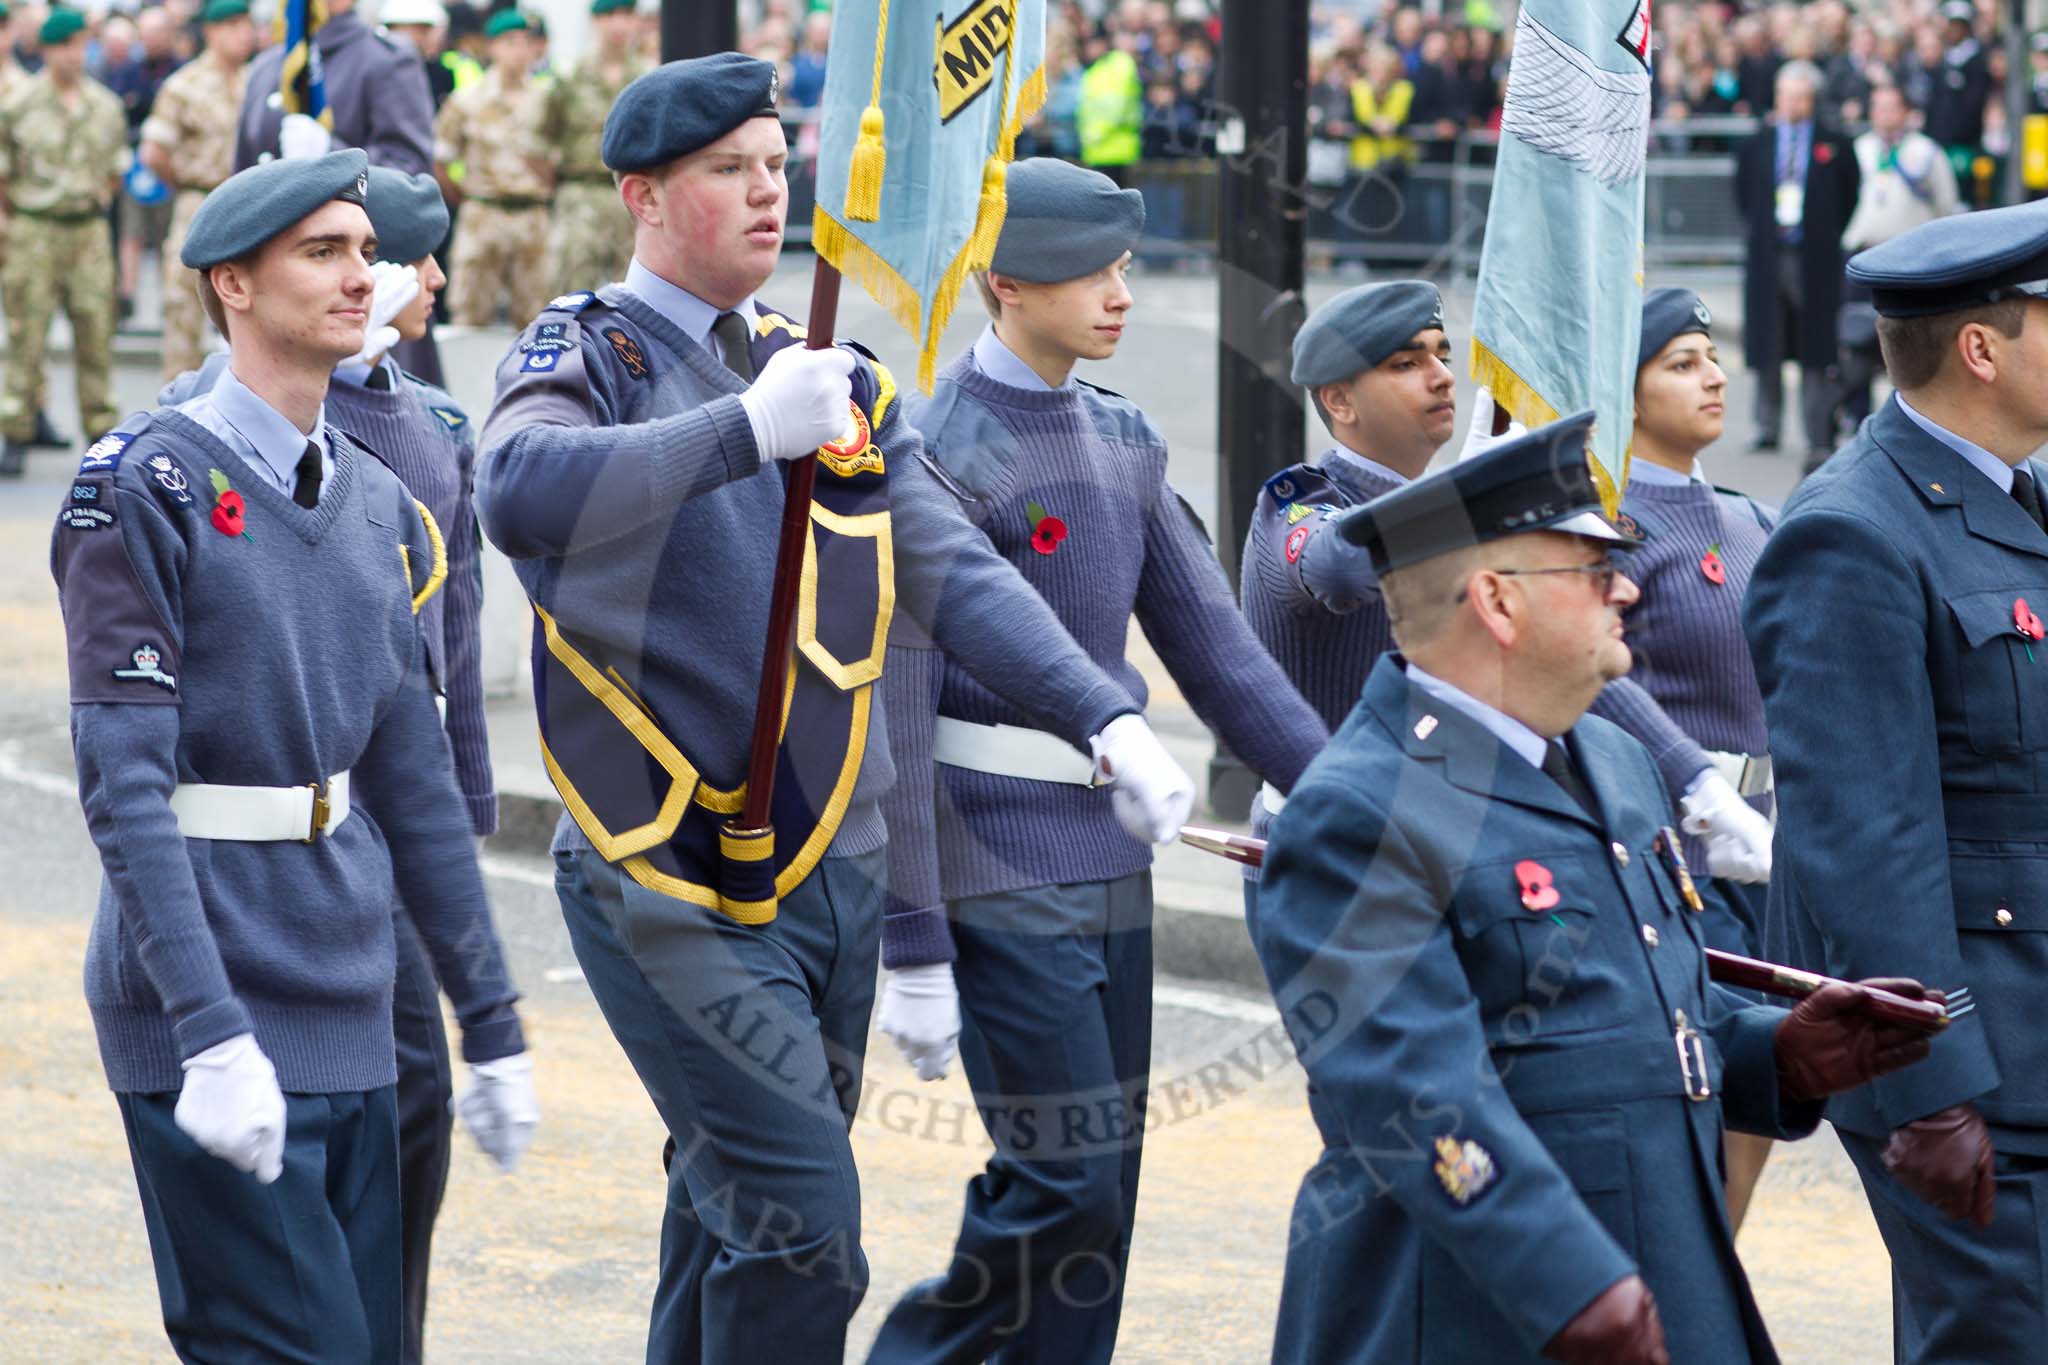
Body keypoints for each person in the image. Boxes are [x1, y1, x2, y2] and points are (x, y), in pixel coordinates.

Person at [473, 55, 1190, 1362]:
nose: (768, 192)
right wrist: (742, 430)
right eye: (727, 170)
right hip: (664, 866)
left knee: (731, 1206)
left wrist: (1103, 715)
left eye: (774, 163)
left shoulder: (837, 380)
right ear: (641, 194)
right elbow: (516, 486)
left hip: (825, 864)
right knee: (805, 1233)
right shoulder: (598, 348)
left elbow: (955, 569)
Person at [1251, 414, 1939, 1365]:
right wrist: (1575, 1286)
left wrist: (1778, 1053)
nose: (1626, 585)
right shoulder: (1360, 811)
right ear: (1496, 600)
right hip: (1484, 1312)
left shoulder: (1612, 759)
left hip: (1660, 1281)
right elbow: (1419, 1100)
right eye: (1591, 566)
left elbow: (1646, 1012)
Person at [51, 146, 537, 1363]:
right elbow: (126, 785)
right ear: (232, 284)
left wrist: (490, 1016)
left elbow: (409, 778)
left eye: (367, 253)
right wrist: (208, 1033)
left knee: (371, 1347)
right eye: (322, 253)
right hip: (207, 996)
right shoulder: (140, 483)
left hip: (347, 987)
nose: (360, 278)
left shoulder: (373, 496)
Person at [864, 160, 1327, 1365]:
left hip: (1103, 851)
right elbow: (898, 714)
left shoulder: (1121, 436)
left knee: (1101, 1194)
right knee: (1060, 1179)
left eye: (1124, 266)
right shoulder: (928, 447)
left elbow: (1221, 658)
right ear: (1004, 284)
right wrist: (910, 942)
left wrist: (1347, 799)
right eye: (1090, 270)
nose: (1120, 292)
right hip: (985, 853)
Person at [157, 164, 485, 1365]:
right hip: (282, 847)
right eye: (404, 255)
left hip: (395, 832)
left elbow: (449, 643)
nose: (422, 278)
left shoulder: (436, 429)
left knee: (409, 1127)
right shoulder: (229, 422)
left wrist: (466, 807)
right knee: (292, 1200)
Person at [1746, 198, 2048, 1364]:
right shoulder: (1853, 531)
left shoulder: (2016, 494)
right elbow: (1862, 834)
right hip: (1977, 1061)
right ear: (1982, 348)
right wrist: (1932, 1088)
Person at [1586, 287, 1780, 1229]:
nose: (1712, 375)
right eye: (1680, 362)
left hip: (1765, 854)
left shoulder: (1751, 517)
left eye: (1711, 355)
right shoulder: (1609, 524)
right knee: (1689, 1121)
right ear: (1622, 396)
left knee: (1761, 1105)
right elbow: (1589, 678)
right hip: (1669, 858)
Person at [0, 7, 125, 477]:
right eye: (64, 46)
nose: (75, 55)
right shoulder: (18, 105)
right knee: (25, 334)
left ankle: (100, 433)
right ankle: (16, 429)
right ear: (47, 49)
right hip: (35, 230)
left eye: (80, 45)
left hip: (88, 232)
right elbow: (4, 176)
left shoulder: (105, 105)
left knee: (96, 333)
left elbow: (115, 174)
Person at [1735, 59, 1858, 468]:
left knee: (1816, 348)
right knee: (1769, 343)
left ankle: (1817, 430)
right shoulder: (1758, 142)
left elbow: (1848, 195)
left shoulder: (1834, 142)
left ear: (1812, 100)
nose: (1793, 104)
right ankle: (1766, 426)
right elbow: (1743, 196)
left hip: (1814, 258)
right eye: (1787, 96)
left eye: (1801, 97)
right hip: (1770, 257)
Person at [139, 0, 254, 380]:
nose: (244, 34)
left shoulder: (257, 80)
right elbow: (154, 151)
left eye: (247, 25)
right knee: (184, 309)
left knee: (253, 307)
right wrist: (188, 184)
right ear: (211, 32)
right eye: (233, 25)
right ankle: (178, 408)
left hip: (249, 204)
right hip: (199, 201)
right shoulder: (184, 84)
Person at [433, 6, 550, 327]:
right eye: (509, 41)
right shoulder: (467, 99)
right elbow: (442, 159)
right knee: (470, 313)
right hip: (482, 214)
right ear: (492, 47)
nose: (519, 50)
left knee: (538, 316)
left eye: (526, 41)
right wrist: (463, 196)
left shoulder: (547, 98)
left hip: (532, 216)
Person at [233, 0, 433, 174]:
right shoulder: (267, 65)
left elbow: (410, 169)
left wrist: (331, 154)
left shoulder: (386, 59)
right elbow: (242, 170)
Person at [539, 0, 646, 297]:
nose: (618, 25)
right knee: (572, 288)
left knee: (636, 292)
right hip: (579, 194)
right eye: (609, 16)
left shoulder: (648, 77)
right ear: (595, 22)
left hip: (632, 195)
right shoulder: (570, 76)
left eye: (626, 16)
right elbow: (543, 136)